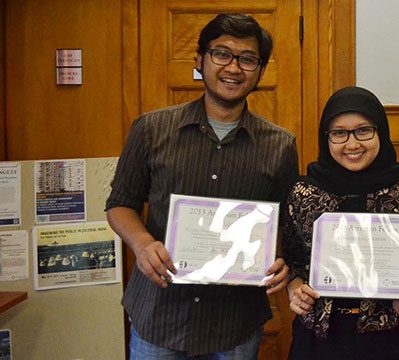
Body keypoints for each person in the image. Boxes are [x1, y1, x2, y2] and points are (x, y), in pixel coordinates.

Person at [105, 13, 299, 358]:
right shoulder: (152, 129)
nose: (233, 68)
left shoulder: (280, 145)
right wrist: (144, 244)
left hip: (235, 321)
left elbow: (283, 223)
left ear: (261, 70)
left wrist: (281, 260)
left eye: (247, 59)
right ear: (200, 60)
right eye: (221, 54)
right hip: (159, 314)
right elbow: (120, 204)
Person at [282, 86, 399, 359]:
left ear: (381, 132)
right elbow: (292, 260)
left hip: (388, 337)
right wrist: (296, 291)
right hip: (318, 337)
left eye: (363, 130)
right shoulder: (305, 193)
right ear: (326, 138)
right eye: (339, 133)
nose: (352, 144)